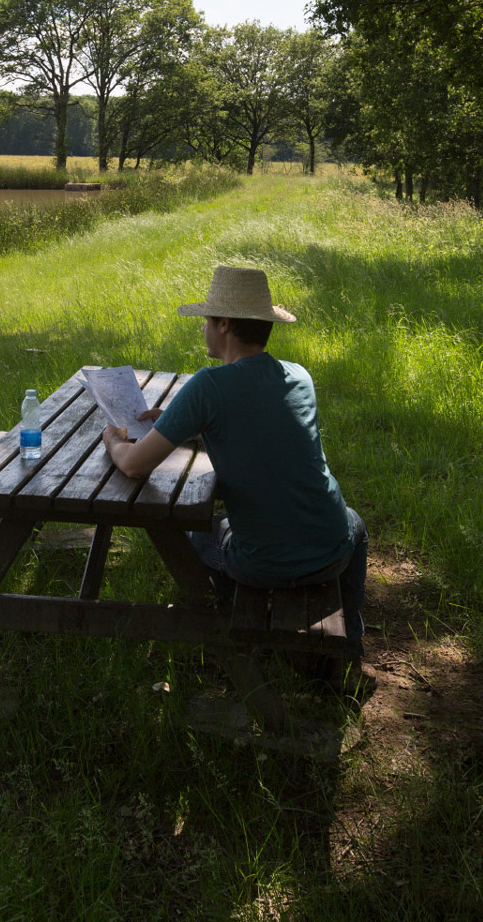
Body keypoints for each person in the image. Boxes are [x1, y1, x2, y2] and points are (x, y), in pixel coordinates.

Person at [102, 265, 375, 692]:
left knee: (197, 533)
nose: (204, 329)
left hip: (261, 564)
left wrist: (113, 440)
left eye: (207, 321)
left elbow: (135, 465)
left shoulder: (209, 386)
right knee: (354, 523)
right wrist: (179, 423)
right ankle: (350, 654)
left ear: (225, 324)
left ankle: (235, 623)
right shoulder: (298, 375)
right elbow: (257, 423)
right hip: (334, 547)